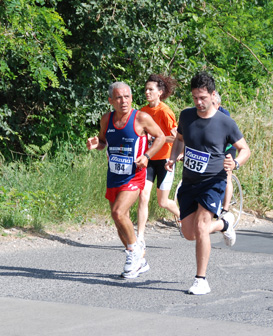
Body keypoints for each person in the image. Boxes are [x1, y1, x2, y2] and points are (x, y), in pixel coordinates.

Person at [165, 72, 250, 295]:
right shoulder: (186, 117)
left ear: (213, 95)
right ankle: (224, 224)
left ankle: (201, 279)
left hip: (213, 181)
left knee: (202, 226)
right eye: (195, 98)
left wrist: (236, 164)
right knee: (190, 233)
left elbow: (245, 149)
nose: (199, 102)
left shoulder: (225, 122)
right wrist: (174, 157)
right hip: (189, 182)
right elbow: (179, 141)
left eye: (203, 97)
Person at [86, 82, 166, 278]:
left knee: (119, 212)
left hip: (135, 174)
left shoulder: (141, 118)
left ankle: (134, 253)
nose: (124, 101)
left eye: (127, 97)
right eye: (119, 97)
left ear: (131, 98)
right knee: (118, 219)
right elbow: (103, 141)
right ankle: (140, 259)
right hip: (114, 174)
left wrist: (147, 156)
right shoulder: (107, 119)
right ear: (111, 100)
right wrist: (96, 144)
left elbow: (161, 137)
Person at [137, 74, 180, 245]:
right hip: (149, 159)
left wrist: (157, 139)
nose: (147, 92)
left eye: (150, 89)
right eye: (146, 89)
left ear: (160, 92)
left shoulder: (165, 111)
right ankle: (140, 237)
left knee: (162, 202)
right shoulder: (143, 111)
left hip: (165, 160)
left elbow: (176, 137)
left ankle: (181, 215)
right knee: (143, 195)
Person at [213, 91, 236, 221]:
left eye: (214, 104)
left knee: (227, 174)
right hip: (215, 147)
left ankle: (225, 210)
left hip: (228, 146)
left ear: (219, 104)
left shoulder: (224, 115)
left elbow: (227, 137)